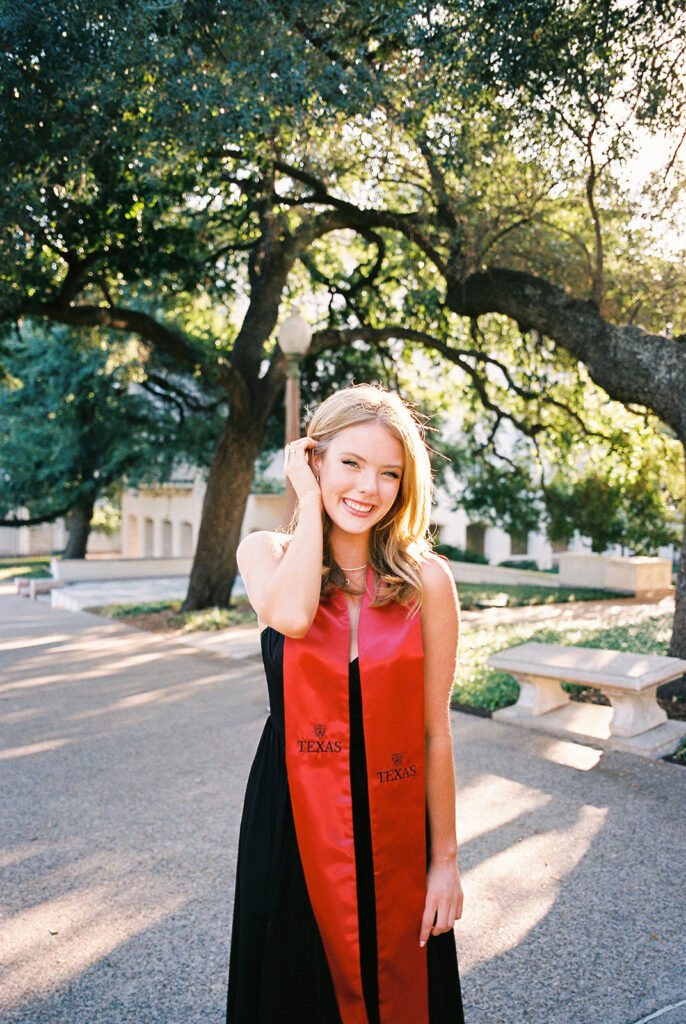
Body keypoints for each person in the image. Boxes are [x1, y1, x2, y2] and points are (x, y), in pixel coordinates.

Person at [227, 383, 465, 1024]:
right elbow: (295, 615)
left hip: (394, 811)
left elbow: (434, 733)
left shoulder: (427, 582)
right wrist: (309, 505)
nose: (369, 487)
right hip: (294, 813)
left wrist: (443, 863)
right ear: (315, 460)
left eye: (390, 472)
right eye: (350, 464)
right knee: (295, 988)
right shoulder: (266, 553)